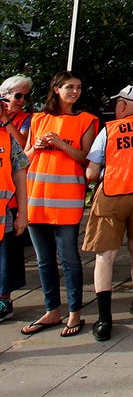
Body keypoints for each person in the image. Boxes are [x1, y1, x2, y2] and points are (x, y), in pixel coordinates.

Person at [83, 86, 133, 342]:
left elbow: (92, 173)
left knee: (105, 255)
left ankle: (104, 319)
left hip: (114, 193)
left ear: (122, 105)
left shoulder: (110, 129)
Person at [21, 71, 98, 338]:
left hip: (66, 200)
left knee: (69, 258)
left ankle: (75, 311)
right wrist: (39, 146)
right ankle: (52, 309)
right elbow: (25, 156)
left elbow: (87, 159)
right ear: (56, 89)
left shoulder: (86, 120)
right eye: (69, 87)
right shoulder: (39, 119)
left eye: (78, 87)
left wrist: (60, 144)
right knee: (44, 260)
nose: (75, 92)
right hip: (36, 197)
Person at [0, 74, 33, 310]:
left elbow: (21, 150)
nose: (22, 100)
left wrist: (6, 122)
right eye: (17, 95)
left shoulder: (20, 123)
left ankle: (4, 298)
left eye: (25, 96)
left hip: (7, 207)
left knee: (7, 256)